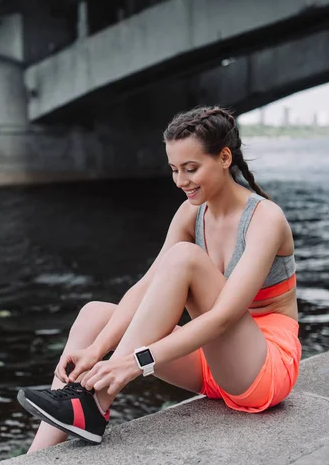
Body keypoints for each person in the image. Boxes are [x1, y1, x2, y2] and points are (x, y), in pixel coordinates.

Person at [18, 105, 301, 451]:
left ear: (225, 157)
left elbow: (224, 316)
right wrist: (97, 348)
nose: (181, 181)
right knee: (93, 314)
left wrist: (137, 362)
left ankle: (94, 404)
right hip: (213, 363)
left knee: (184, 258)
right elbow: (147, 284)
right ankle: (37, 455)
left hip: (261, 369)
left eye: (191, 168)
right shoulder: (190, 213)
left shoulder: (265, 219)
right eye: (174, 169)